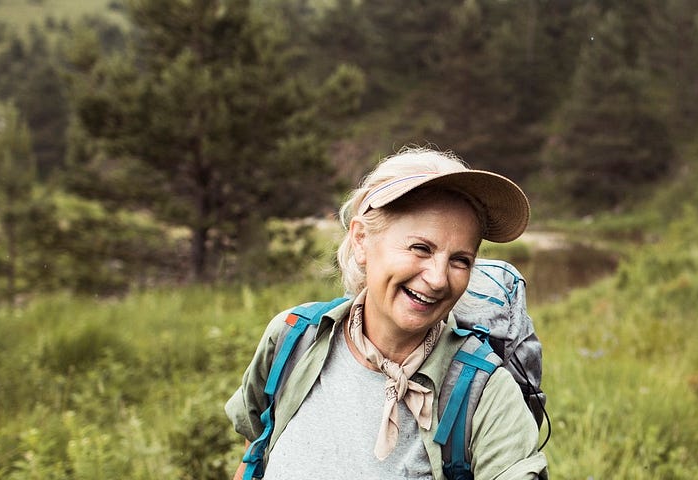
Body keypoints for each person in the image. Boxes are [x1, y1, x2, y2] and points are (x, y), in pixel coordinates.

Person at [227, 147, 547, 479]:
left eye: (460, 260)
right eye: (420, 248)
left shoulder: (484, 392)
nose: (438, 279)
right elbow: (255, 451)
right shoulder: (294, 338)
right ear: (361, 239)